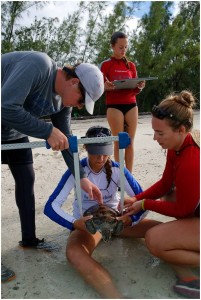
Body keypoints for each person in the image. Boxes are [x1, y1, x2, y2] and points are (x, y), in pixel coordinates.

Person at [1, 51, 104, 281]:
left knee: (26, 180)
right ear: (74, 82)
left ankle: (29, 240)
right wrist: (47, 131)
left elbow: (66, 140)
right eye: (81, 100)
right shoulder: (38, 65)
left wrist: (82, 177)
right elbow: (5, 107)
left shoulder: (63, 105)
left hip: (13, 133)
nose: (78, 107)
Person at [44, 126, 160, 299]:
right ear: (85, 148)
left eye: (105, 152)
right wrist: (75, 223)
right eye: (96, 152)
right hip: (89, 226)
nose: (101, 158)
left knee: (161, 231)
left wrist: (130, 219)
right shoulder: (75, 171)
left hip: (118, 221)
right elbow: (51, 206)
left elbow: (142, 200)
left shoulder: (117, 169)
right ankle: (115, 296)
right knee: (75, 253)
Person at [125, 90, 200, 298]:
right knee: (170, 195)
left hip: (193, 210)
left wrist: (144, 205)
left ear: (181, 129)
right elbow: (166, 184)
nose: (155, 139)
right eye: (154, 132)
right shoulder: (177, 145)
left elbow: (184, 209)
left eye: (160, 134)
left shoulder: (191, 160)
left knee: (155, 240)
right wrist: (136, 199)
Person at [100, 31, 145, 173]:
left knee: (130, 142)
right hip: (114, 105)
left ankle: (129, 177)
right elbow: (99, 87)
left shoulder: (131, 65)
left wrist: (139, 87)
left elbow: (135, 89)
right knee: (119, 142)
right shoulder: (106, 65)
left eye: (125, 47)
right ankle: (119, 176)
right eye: (120, 47)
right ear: (112, 46)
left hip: (131, 103)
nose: (123, 50)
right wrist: (104, 86)